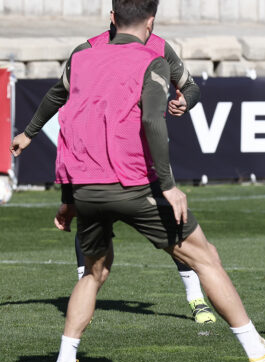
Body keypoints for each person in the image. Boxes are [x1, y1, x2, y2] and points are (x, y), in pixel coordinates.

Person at [11, 1, 265, 362]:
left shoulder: (82, 57)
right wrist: (169, 185)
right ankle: (256, 348)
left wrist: (68, 197)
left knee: (93, 272)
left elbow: (72, 125)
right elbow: (151, 119)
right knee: (205, 256)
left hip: (86, 187)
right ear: (151, 21)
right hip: (134, 184)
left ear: (112, 17)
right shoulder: (153, 58)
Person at [12, 13, 216, 324]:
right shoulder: (86, 51)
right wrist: (29, 132)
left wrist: (185, 101)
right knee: (90, 235)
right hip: (93, 162)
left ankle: (195, 298)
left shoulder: (160, 48)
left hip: (140, 164)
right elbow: (58, 93)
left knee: (176, 227)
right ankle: (85, 301)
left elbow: (191, 88)